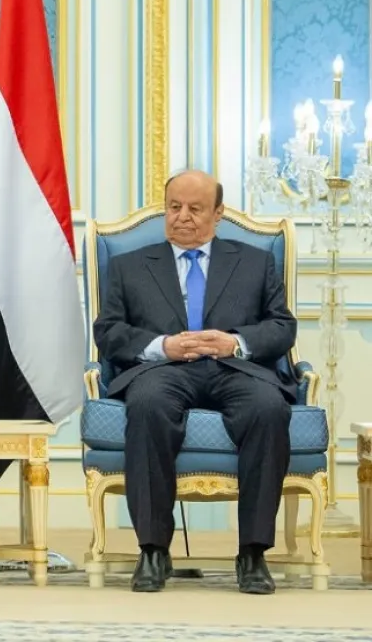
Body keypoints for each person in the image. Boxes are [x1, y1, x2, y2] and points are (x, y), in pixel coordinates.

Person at [93, 169, 296, 595]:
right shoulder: (130, 266)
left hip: (235, 369)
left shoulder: (255, 262)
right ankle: (153, 550)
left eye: (195, 209)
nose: (182, 217)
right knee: (146, 405)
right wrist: (161, 346)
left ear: (218, 214)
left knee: (268, 408)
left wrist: (235, 342)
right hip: (163, 370)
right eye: (174, 207)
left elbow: (282, 328)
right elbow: (108, 332)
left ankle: (253, 553)